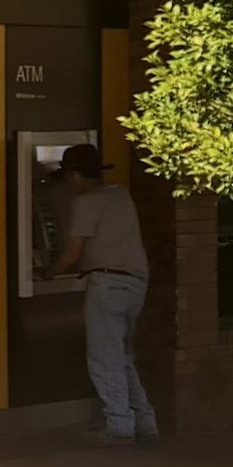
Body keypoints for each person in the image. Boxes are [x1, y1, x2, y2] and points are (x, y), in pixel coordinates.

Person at [42, 143, 159, 447]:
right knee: (123, 356)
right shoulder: (121, 195)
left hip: (107, 285)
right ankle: (144, 420)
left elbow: (72, 252)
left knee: (104, 359)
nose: (68, 183)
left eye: (69, 176)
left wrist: (48, 271)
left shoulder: (86, 202)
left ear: (76, 175)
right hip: (135, 284)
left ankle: (119, 425)